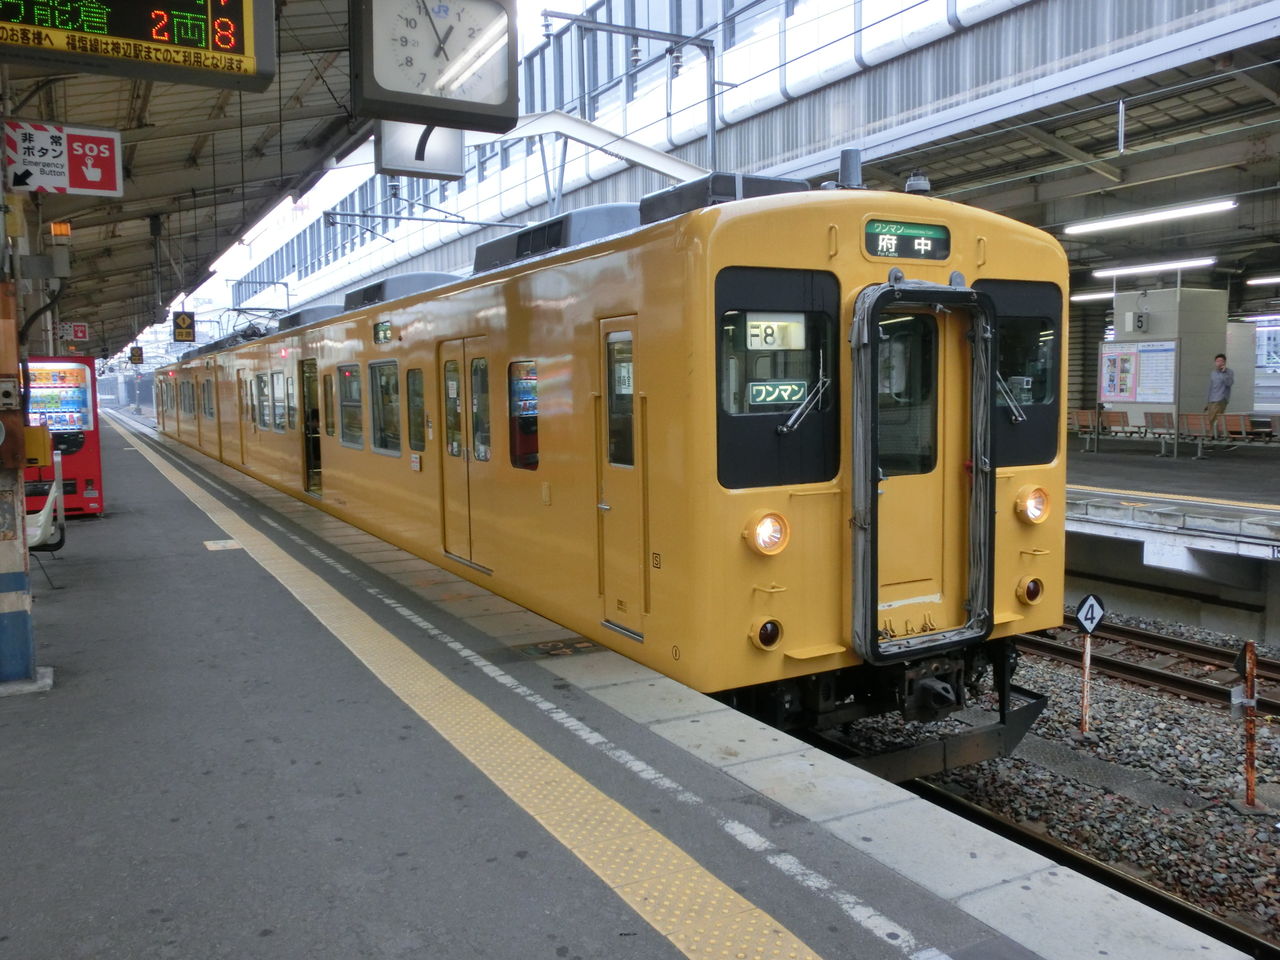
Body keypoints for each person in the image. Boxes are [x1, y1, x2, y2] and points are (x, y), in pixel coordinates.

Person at [1204, 353, 1233, 438]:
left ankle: (1212, 438)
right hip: (1211, 400)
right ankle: (1221, 436)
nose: (1219, 363)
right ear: (1215, 362)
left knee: (1214, 419)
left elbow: (1229, 383)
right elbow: (1211, 388)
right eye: (1217, 361)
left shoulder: (1229, 372)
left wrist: (1224, 373)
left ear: (1225, 362)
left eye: (1221, 361)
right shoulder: (1213, 373)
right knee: (1213, 420)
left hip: (1221, 399)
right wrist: (1207, 402)